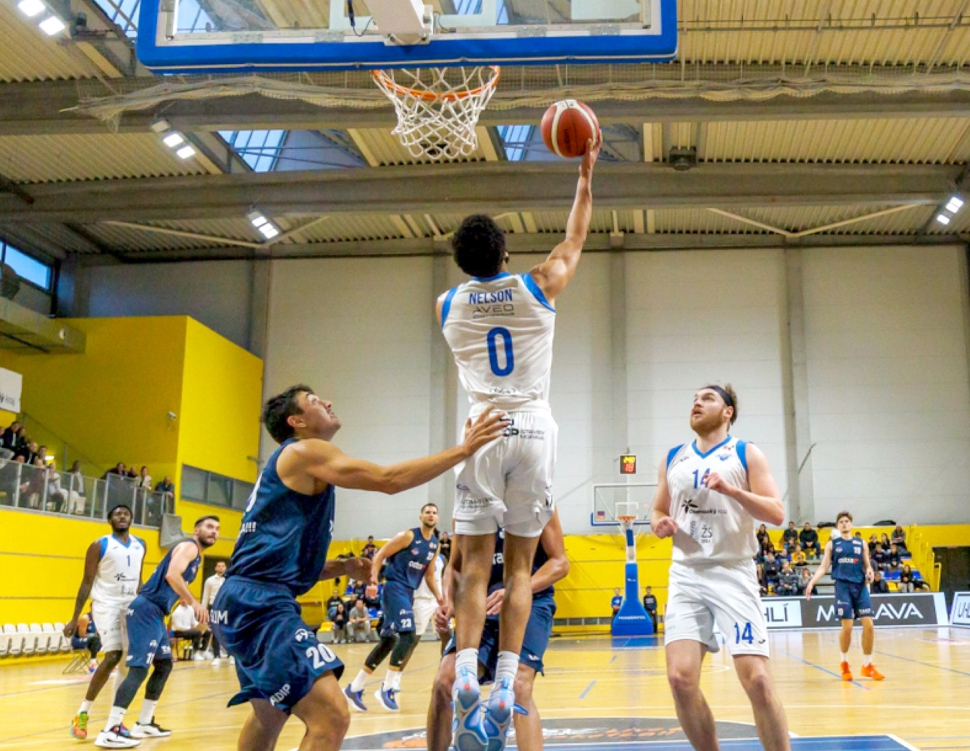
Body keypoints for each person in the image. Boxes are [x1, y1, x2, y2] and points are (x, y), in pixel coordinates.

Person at [209, 384, 507, 751]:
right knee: (332, 716)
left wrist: (340, 566)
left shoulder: (290, 467)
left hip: (240, 599)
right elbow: (388, 480)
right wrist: (465, 449)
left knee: (268, 713)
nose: (329, 401)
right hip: (260, 606)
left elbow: (268, 564)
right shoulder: (305, 451)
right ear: (296, 421)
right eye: (315, 401)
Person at [438, 138, 600, 751]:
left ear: (460, 261)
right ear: (506, 251)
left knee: (476, 569)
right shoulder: (539, 284)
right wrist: (584, 174)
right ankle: (506, 679)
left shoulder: (446, 304)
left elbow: (476, 298)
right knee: (523, 567)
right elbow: (576, 236)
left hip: (480, 431)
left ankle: (468, 674)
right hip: (533, 428)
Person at [651, 384, 790, 751]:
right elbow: (657, 509)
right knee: (680, 680)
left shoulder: (746, 453)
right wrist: (658, 523)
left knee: (758, 681)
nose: (697, 401)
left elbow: (776, 513)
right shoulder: (673, 457)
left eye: (708, 398)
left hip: (733, 571)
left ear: (728, 412)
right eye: (694, 397)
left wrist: (734, 492)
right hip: (686, 574)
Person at [427, 510, 569, 751]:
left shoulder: (537, 495)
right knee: (445, 681)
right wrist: (448, 602)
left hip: (531, 600)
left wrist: (518, 590)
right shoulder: (470, 499)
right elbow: (455, 566)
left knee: (518, 686)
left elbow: (560, 563)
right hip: (480, 602)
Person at [94, 515, 220, 748]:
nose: (214, 532)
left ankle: (143, 723)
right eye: (209, 527)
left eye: (217, 529)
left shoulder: (196, 556)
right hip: (146, 610)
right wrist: (194, 603)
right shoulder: (189, 547)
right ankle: (110, 729)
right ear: (196, 530)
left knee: (164, 664)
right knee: (139, 669)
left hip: (156, 613)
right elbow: (172, 575)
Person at [344, 503, 443, 712]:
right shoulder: (408, 536)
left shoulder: (434, 544)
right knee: (408, 635)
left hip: (408, 591)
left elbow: (429, 575)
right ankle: (387, 688)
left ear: (438, 518)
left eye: (434, 513)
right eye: (427, 512)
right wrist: (372, 581)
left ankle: (354, 688)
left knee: (389, 640)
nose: (431, 515)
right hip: (394, 586)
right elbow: (380, 555)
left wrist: (440, 598)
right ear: (421, 516)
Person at [65, 504, 147, 741]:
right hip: (106, 605)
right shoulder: (99, 545)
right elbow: (86, 581)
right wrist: (74, 618)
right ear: (109, 519)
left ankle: (115, 722)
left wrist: (144, 608)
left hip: (130, 605)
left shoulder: (140, 544)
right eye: (117, 514)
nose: (122, 516)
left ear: (131, 518)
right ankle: (82, 713)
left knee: (127, 663)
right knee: (113, 654)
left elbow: (138, 579)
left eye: (126, 513)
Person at [805, 511, 884, 682]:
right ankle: (844, 663)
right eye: (841, 521)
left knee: (869, 625)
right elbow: (823, 567)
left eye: (847, 521)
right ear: (837, 526)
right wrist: (811, 583)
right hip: (842, 587)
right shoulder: (832, 545)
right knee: (847, 627)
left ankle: (867, 665)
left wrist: (870, 572)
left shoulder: (861, 543)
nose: (844, 524)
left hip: (860, 587)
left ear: (851, 524)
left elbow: (868, 565)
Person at [202, 561, 230, 665]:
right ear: (215, 568)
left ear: (226, 568)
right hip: (213, 606)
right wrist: (203, 610)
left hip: (226, 606)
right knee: (215, 631)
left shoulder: (229, 580)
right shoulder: (209, 581)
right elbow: (206, 596)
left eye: (223, 566)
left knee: (228, 631)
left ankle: (231, 655)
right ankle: (216, 656)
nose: (221, 567)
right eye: (219, 566)